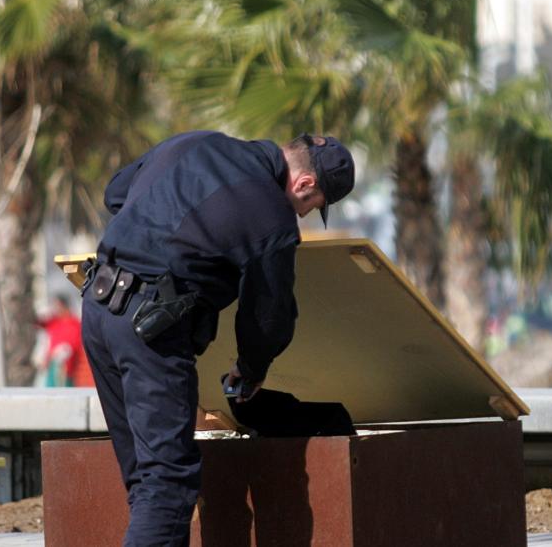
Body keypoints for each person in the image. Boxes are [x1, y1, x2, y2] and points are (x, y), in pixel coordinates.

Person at [81, 130, 354, 547]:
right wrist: (250, 370)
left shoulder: (194, 143)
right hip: (150, 327)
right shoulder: (272, 217)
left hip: (99, 309)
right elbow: (268, 316)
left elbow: (117, 193)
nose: (301, 215)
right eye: (311, 206)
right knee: (168, 487)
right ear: (305, 184)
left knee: (146, 485)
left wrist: (166, 239)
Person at [37, 292, 93, 387]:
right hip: (52, 365)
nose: (55, 309)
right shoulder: (53, 322)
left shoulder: (75, 323)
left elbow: (76, 343)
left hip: (69, 368)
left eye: (57, 305)